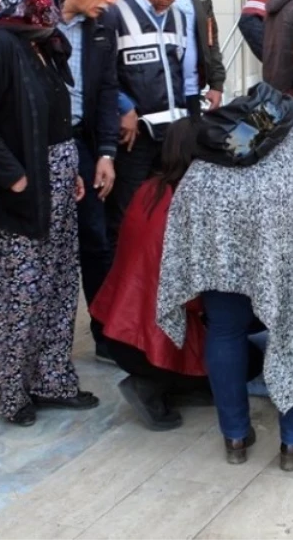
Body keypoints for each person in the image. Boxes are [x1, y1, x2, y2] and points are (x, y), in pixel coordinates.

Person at [157, 91, 293, 471]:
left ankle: (235, 437)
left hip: (210, 205)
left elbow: (233, 153)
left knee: (225, 327)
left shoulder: (265, 110)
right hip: (279, 227)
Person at [0, 0, 98, 427]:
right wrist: (14, 176)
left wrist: (71, 168)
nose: (60, 5)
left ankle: (51, 379)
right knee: (17, 294)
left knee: (57, 286)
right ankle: (13, 390)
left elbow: (56, 118)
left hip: (55, 181)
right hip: (12, 194)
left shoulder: (40, 42)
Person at [90, 119, 215, 431]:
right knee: (239, 350)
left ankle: (175, 382)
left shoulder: (148, 189)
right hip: (147, 343)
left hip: (117, 328)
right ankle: (151, 385)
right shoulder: (191, 204)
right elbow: (197, 296)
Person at [53, 0, 125, 361]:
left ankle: (104, 334)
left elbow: (108, 88)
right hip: (39, 144)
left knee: (95, 240)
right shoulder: (36, 19)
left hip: (83, 141)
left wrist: (107, 153)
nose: (113, 0)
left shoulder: (103, 22)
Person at [107, 0, 196, 244]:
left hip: (174, 137)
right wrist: (124, 107)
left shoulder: (181, 18)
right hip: (135, 138)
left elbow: (188, 77)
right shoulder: (114, 15)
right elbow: (103, 75)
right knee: (126, 215)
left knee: (170, 213)